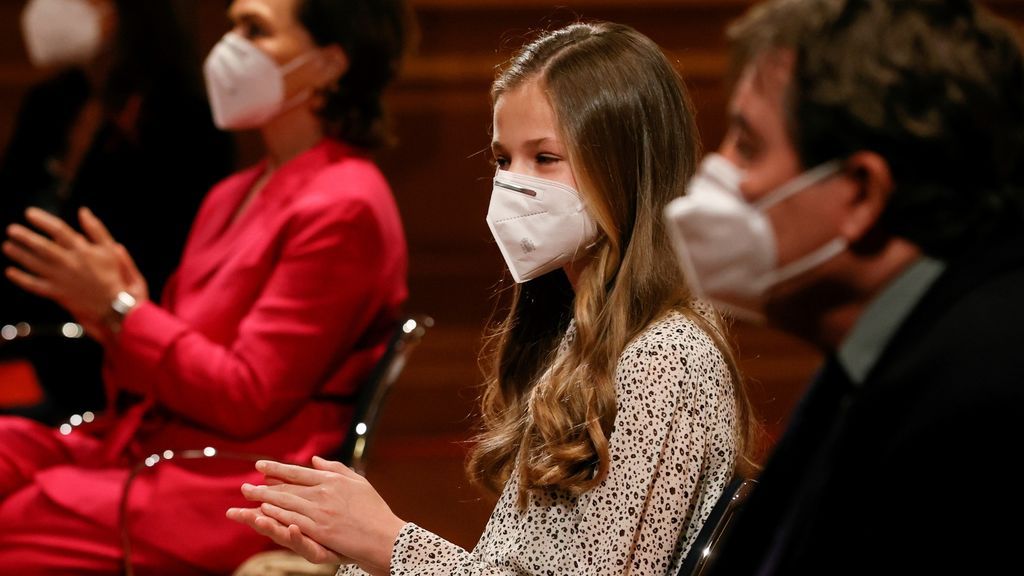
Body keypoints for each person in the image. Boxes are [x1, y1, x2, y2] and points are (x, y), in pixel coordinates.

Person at [227, 21, 760, 576]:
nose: (512, 184)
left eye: (545, 158)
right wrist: (357, 555)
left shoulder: (663, 357)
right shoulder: (586, 334)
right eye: (503, 160)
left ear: (625, 169)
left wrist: (392, 545)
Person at [0, 0, 410, 573]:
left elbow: (245, 399)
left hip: (235, 483)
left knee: (11, 529)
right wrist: (108, 313)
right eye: (233, 25)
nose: (229, 47)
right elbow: (174, 364)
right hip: (152, 446)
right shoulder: (234, 191)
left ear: (328, 63)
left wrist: (123, 311)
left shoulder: (346, 206)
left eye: (255, 30)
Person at [663, 0, 1024, 573]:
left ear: (860, 193)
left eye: (748, 145)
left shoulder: (984, 410)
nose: (716, 169)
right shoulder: (879, 356)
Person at [0, 0, 235, 424]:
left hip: (101, 354)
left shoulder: (185, 119)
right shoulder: (51, 101)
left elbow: (170, 274)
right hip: (21, 336)